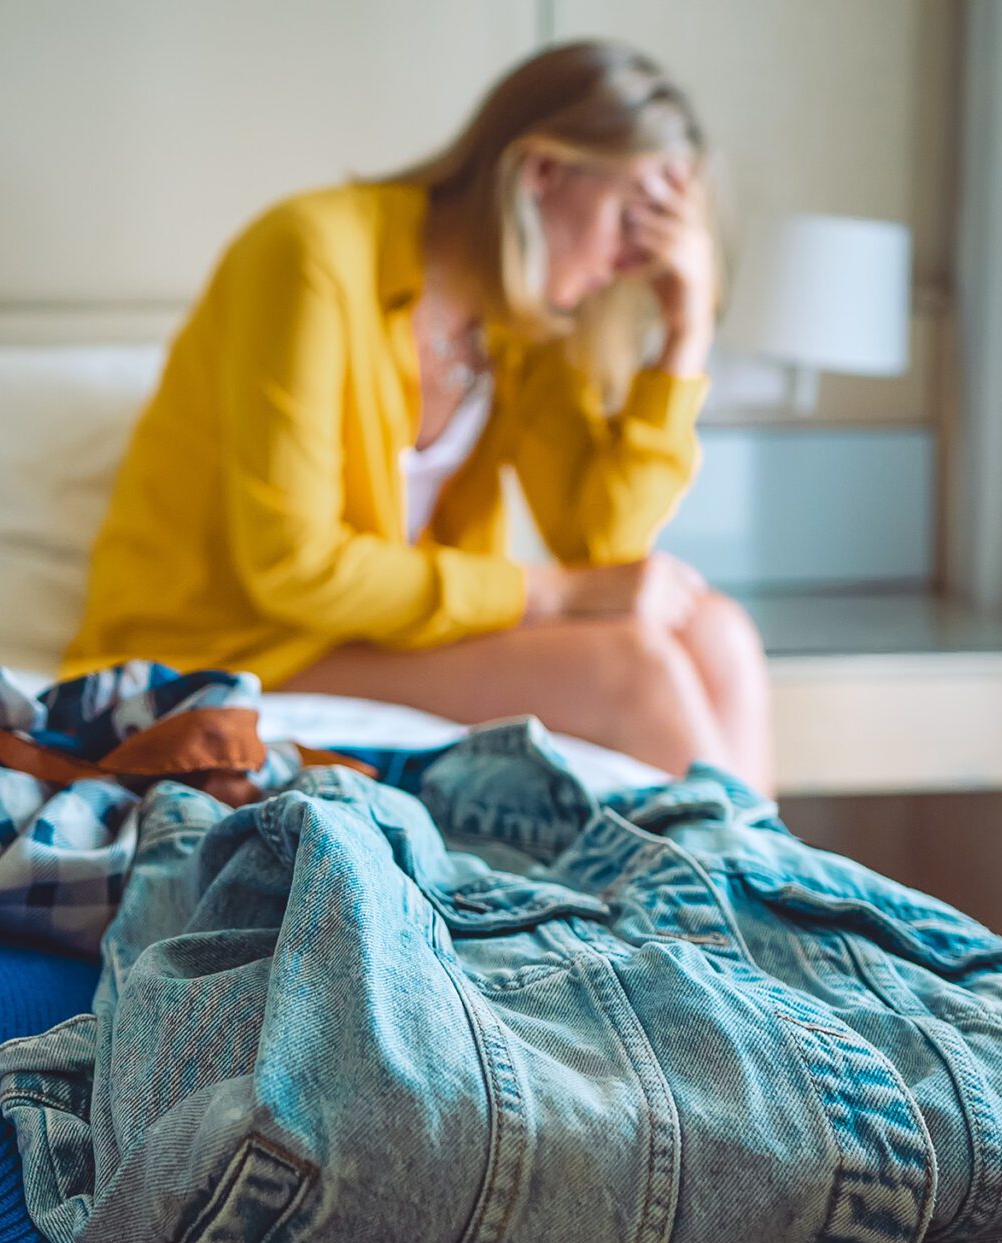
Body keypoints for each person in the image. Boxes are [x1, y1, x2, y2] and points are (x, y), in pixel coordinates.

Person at [64, 40, 772, 790]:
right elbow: (291, 570)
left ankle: (775, 901)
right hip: (232, 641)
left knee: (719, 633)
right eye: (636, 218)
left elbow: (605, 547)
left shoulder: (524, 320)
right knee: (630, 670)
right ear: (541, 173)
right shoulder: (310, 253)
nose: (642, 260)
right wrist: (551, 595)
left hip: (372, 636)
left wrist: (686, 335)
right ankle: (764, 905)